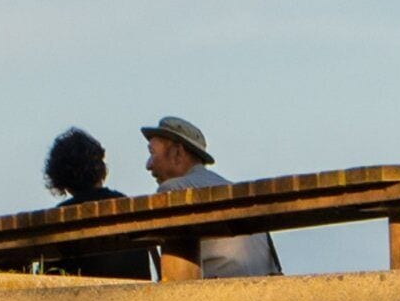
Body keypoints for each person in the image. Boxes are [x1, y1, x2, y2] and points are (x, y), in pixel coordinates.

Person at [140, 116, 281, 278]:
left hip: (217, 297)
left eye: (152, 153)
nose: (148, 165)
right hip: (262, 293)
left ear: (177, 153)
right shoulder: (233, 189)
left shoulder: (173, 190)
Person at [41, 126, 158, 280]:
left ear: (60, 178)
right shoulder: (126, 205)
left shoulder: (59, 218)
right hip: (136, 297)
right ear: (100, 168)